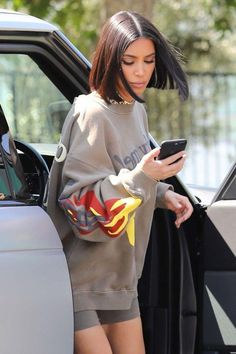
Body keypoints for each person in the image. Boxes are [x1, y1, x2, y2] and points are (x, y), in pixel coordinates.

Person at [47, 10, 193, 354]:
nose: (141, 71)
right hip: (79, 282)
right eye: (129, 61)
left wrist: (161, 193)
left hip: (121, 281)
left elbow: (121, 175)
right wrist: (144, 177)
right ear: (111, 60)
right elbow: (79, 203)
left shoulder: (136, 111)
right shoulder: (92, 114)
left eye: (148, 60)